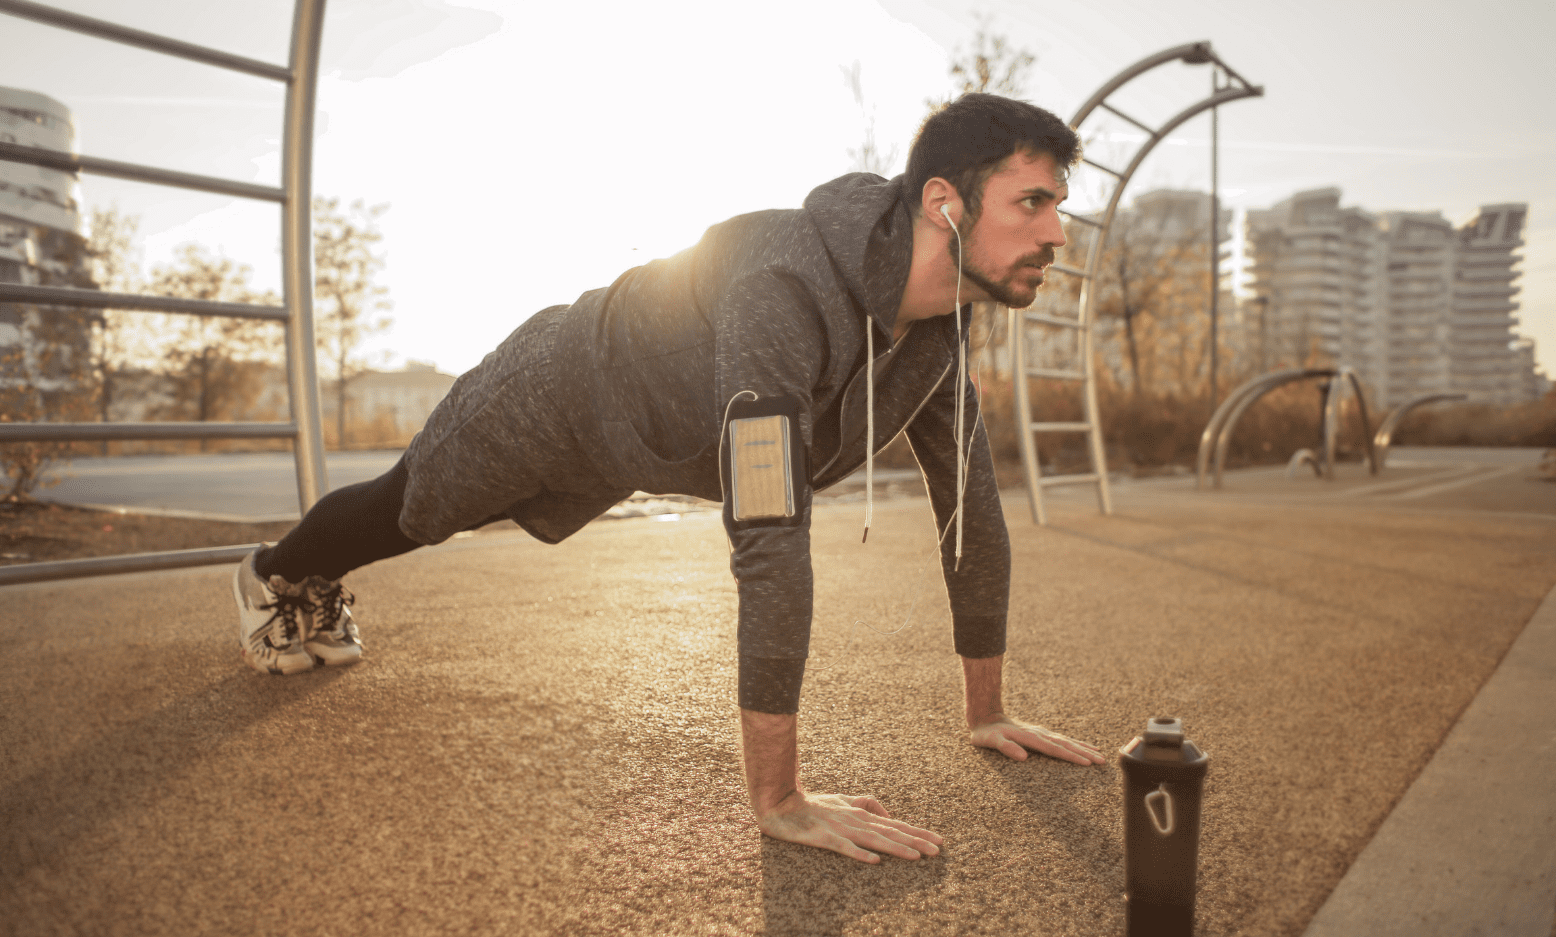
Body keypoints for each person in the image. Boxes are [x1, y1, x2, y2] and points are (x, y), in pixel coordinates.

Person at [231, 92, 1106, 864]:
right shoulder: (782, 288)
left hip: (645, 442)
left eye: (1060, 206)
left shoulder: (941, 338)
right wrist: (780, 797)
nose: (1057, 233)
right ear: (944, 203)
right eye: (1032, 202)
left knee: (420, 511)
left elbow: (973, 512)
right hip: (558, 387)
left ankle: (305, 576)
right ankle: (275, 570)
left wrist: (986, 711)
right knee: (411, 510)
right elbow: (769, 529)